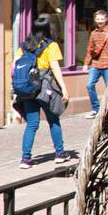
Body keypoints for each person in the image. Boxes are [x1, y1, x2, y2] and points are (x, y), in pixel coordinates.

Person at [15, 15, 71, 168]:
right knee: (53, 119)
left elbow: (15, 67)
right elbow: (55, 68)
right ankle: (60, 153)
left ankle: (25, 159)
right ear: (47, 29)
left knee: (32, 124)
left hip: (27, 88)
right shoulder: (50, 45)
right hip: (44, 87)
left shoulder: (24, 46)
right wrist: (64, 88)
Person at [83, 9, 108, 119]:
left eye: (102, 19)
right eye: (97, 19)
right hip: (96, 64)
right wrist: (86, 64)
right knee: (89, 85)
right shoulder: (93, 33)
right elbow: (90, 49)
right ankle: (95, 109)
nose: (100, 21)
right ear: (95, 20)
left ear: (106, 19)